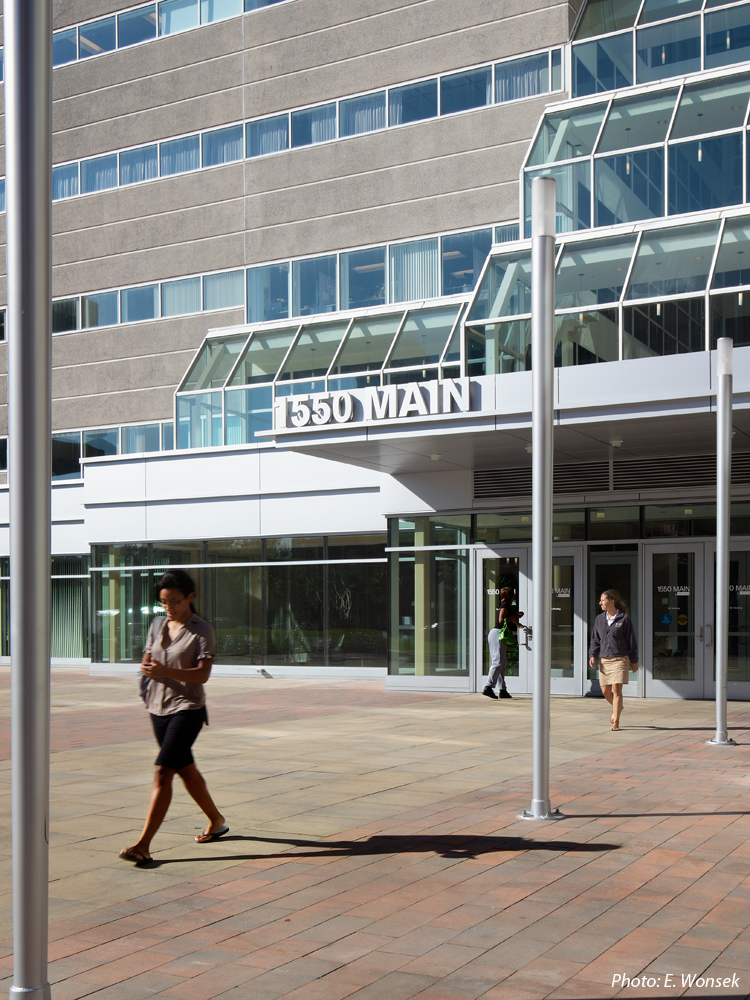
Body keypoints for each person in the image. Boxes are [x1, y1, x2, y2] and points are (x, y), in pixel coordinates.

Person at [119, 569, 227, 864]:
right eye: (164, 603)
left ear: (190, 597)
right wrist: (147, 667)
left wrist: (165, 671)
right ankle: (216, 820)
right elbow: (148, 657)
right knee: (185, 769)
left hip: (187, 709)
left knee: (163, 771)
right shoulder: (157, 624)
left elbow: (203, 675)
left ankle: (143, 844)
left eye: (175, 602)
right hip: (157, 708)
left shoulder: (201, 630)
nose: (169, 608)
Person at [589, 589, 638, 732]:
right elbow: (595, 640)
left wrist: (634, 661)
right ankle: (618, 707)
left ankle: (616, 722)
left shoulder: (624, 619)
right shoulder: (599, 619)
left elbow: (631, 641)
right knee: (605, 691)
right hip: (604, 660)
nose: (600, 603)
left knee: (617, 689)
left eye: (602, 600)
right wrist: (593, 654)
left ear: (611, 601)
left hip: (620, 658)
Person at [483, 586, 524, 700]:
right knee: (497, 662)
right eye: (513, 594)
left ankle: (502, 690)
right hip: (497, 634)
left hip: (499, 635)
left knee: (502, 663)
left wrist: (517, 624)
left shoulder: (508, 605)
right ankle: (488, 687)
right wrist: (516, 616)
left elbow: (508, 617)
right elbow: (502, 619)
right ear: (510, 595)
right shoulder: (505, 604)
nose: (515, 596)